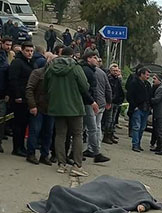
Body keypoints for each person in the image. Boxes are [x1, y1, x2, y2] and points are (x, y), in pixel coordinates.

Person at [44, 46, 90, 175]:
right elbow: (85, 86)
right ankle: (77, 165)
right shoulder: (76, 67)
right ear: (71, 56)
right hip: (75, 107)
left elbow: (45, 86)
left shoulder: (50, 68)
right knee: (77, 135)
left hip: (57, 106)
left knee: (60, 135)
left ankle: (61, 164)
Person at [25, 51, 55, 165]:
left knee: (48, 133)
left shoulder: (57, 76)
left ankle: (45, 155)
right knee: (35, 131)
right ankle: (31, 154)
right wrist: (32, 105)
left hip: (51, 109)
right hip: (38, 107)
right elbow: (29, 89)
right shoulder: (38, 73)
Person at [80, 51, 110, 163]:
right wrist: (92, 102)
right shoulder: (87, 71)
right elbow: (86, 89)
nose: (97, 60)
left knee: (81, 129)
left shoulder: (90, 70)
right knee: (92, 128)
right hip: (87, 103)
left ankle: (75, 152)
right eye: (94, 57)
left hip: (88, 102)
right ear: (88, 59)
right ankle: (96, 153)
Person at [7, 41, 36, 156]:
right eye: (27, 51)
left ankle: (21, 146)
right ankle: (17, 147)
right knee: (18, 125)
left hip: (27, 97)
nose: (29, 53)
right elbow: (13, 80)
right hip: (19, 99)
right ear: (22, 51)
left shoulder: (30, 63)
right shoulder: (17, 63)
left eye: (31, 51)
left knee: (24, 124)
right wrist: (17, 95)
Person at [126, 67, 152, 152]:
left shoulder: (148, 85)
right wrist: (134, 106)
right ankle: (135, 144)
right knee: (136, 126)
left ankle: (138, 143)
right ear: (142, 74)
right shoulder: (134, 83)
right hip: (137, 108)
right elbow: (129, 96)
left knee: (142, 127)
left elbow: (149, 96)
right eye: (147, 75)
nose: (148, 76)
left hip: (146, 109)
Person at [104, 63, 124, 144]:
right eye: (114, 70)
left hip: (116, 102)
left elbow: (120, 90)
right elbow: (109, 90)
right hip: (111, 102)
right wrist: (109, 100)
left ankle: (111, 134)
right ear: (110, 71)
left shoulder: (118, 80)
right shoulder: (109, 79)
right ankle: (106, 135)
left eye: (117, 70)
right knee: (109, 120)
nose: (116, 72)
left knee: (113, 120)